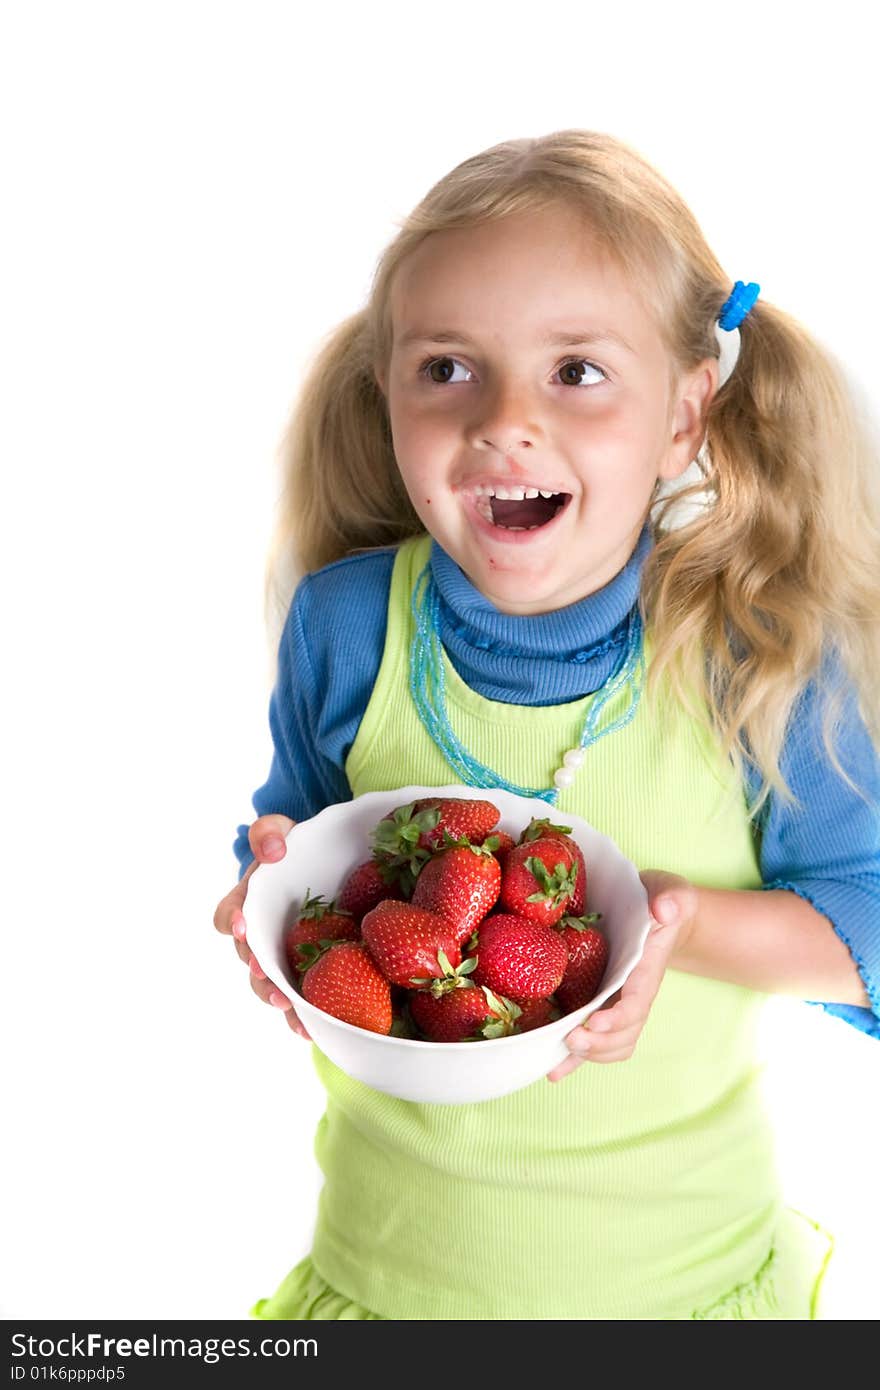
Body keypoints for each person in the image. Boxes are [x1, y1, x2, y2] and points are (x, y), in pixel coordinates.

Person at [214, 129, 880, 1320]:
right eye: (447, 369)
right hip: (384, 1283)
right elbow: (305, 850)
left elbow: (868, 920)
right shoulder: (350, 625)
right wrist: (261, 900)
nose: (504, 421)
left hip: (682, 1296)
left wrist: (670, 925)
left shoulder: (753, 644)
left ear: (684, 417)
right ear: (387, 391)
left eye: (575, 371)